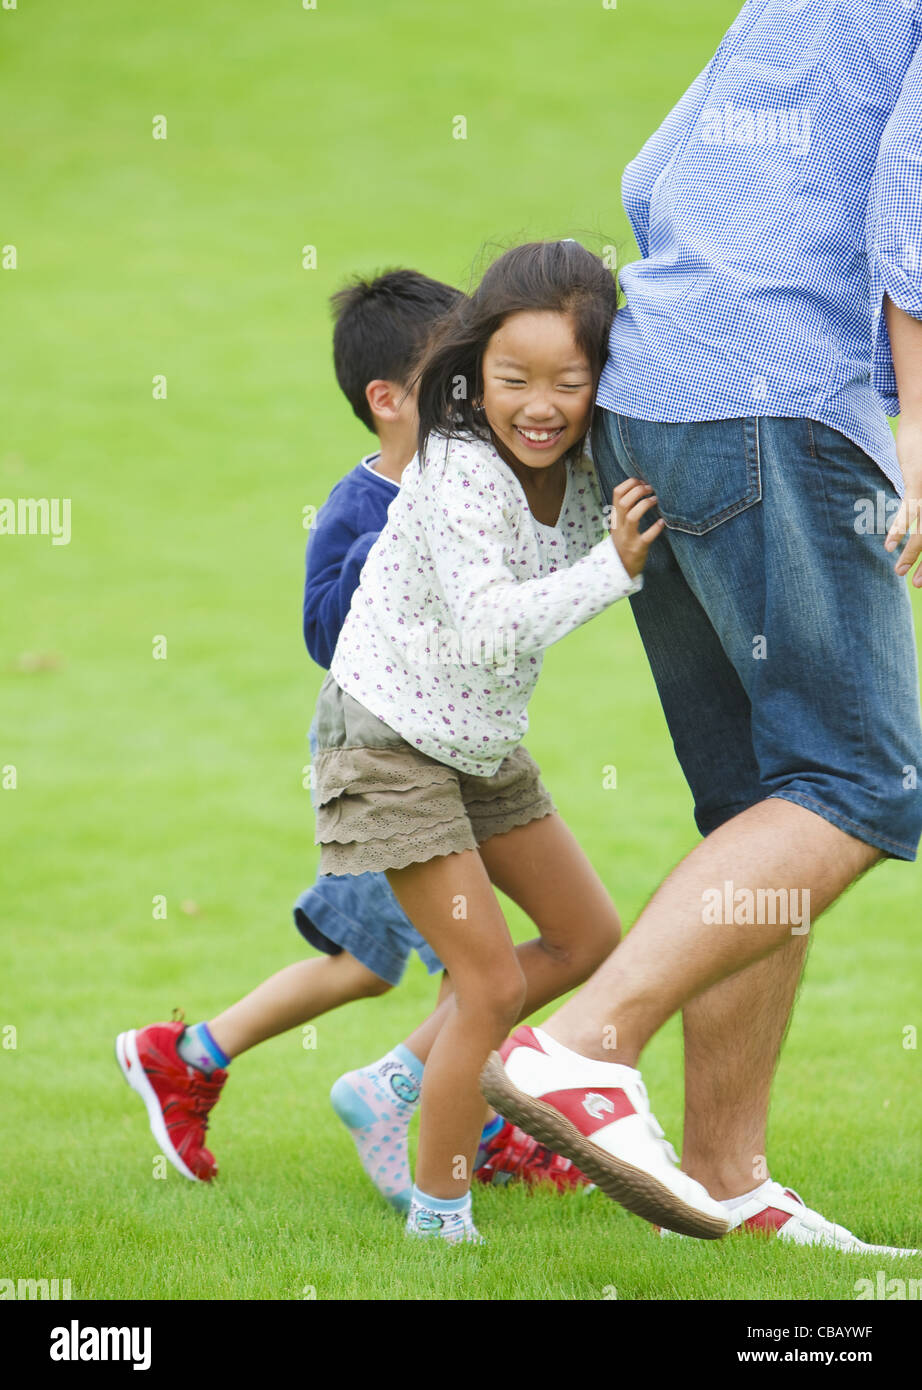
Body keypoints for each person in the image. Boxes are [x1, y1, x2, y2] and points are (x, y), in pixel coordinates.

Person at [481, 1, 922, 1255]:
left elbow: (657, 168)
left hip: (656, 390)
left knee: (756, 802)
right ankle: (580, 1047)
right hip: (782, 404)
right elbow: (916, 196)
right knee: (856, 778)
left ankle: (727, 1170)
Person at [311, 238, 669, 1243]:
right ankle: (440, 1215)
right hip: (387, 742)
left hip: (474, 741)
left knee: (587, 939)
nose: (539, 404)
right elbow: (485, 622)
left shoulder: (589, 465)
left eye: (569, 379)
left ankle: (391, 1082)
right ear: (474, 372)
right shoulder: (460, 465)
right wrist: (615, 568)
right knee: (492, 983)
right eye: (512, 378)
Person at [115, 270, 465, 1191]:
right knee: (487, 964)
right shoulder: (360, 507)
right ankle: (456, 1115)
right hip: (387, 755)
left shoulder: (475, 481)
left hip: (454, 748)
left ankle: (189, 1054)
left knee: (364, 963)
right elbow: (322, 632)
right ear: (386, 401)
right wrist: (396, 539)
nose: (477, 394)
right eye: (454, 377)